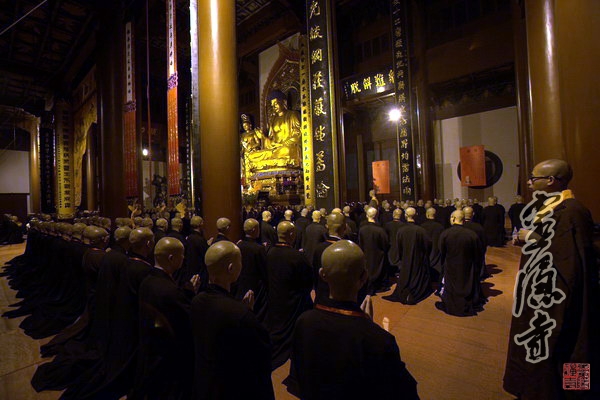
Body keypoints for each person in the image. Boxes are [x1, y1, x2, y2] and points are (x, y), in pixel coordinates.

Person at [504, 159, 600, 400]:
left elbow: (569, 257)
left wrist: (531, 238)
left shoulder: (572, 211)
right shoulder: (553, 207)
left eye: (533, 178)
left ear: (550, 180)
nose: (529, 182)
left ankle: (571, 393)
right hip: (542, 291)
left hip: (559, 296)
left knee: (568, 345)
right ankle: (535, 389)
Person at [286, 240, 419, 400]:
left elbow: (301, 377)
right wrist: (370, 328)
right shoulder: (380, 340)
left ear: (322, 274)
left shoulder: (303, 322)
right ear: (364, 277)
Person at [191, 241, 274, 400]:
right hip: (230, 386)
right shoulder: (240, 313)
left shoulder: (196, 301)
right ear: (231, 268)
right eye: (240, 261)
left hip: (204, 382)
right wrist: (247, 313)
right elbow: (262, 353)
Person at [130, 237, 198, 400]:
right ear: (171, 258)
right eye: (182, 255)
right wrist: (190, 295)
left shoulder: (148, 281)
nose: (184, 258)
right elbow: (186, 319)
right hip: (167, 356)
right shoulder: (169, 290)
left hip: (150, 349)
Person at [266, 221, 313, 369]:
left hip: (274, 298)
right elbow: (308, 281)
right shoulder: (297, 256)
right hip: (293, 300)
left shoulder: (269, 253)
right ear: (292, 234)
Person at [436, 210, 485, 317]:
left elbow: (441, 251)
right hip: (467, 267)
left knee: (451, 286)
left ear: (453, 218)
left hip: (451, 266)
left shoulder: (446, 234)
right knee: (466, 284)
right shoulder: (472, 235)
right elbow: (478, 253)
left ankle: (452, 304)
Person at [384, 207, 432, 305]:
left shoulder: (401, 230)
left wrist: (402, 256)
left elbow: (399, 246)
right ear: (416, 215)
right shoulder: (421, 231)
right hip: (418, 259)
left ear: (405, 216)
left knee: (405, 277)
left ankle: (406, 292)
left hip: (405, 258)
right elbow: (427, 246)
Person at [233, 218, 269, 322]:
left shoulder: (238, 245)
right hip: (256, 287)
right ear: (254, 230)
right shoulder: (258, 249)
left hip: (240, 283)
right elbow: (264, 270)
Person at [358, 207, 390, 295]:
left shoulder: (362, 229)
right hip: (378, 255)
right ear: (377, 215)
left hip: (365, 253)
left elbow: (360, 242)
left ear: (366, 215)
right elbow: (385, 244)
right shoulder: (380, 230)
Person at [178, 216, 209, 289]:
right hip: (199, 273)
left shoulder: (188, 238)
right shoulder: (200, 240)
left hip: (189, 271)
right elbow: (206, 256)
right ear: (201, 224)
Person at [463, 206, 488, 280]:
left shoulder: (460, 227)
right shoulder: (479, 227)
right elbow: (484, 242)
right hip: (476, 253)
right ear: (473, 214)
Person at [420, 208, 445, 280]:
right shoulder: (440, 227)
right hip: (436, 254)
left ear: (427, 215)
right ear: (435, 215)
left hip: (425, 255)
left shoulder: (422, 227)